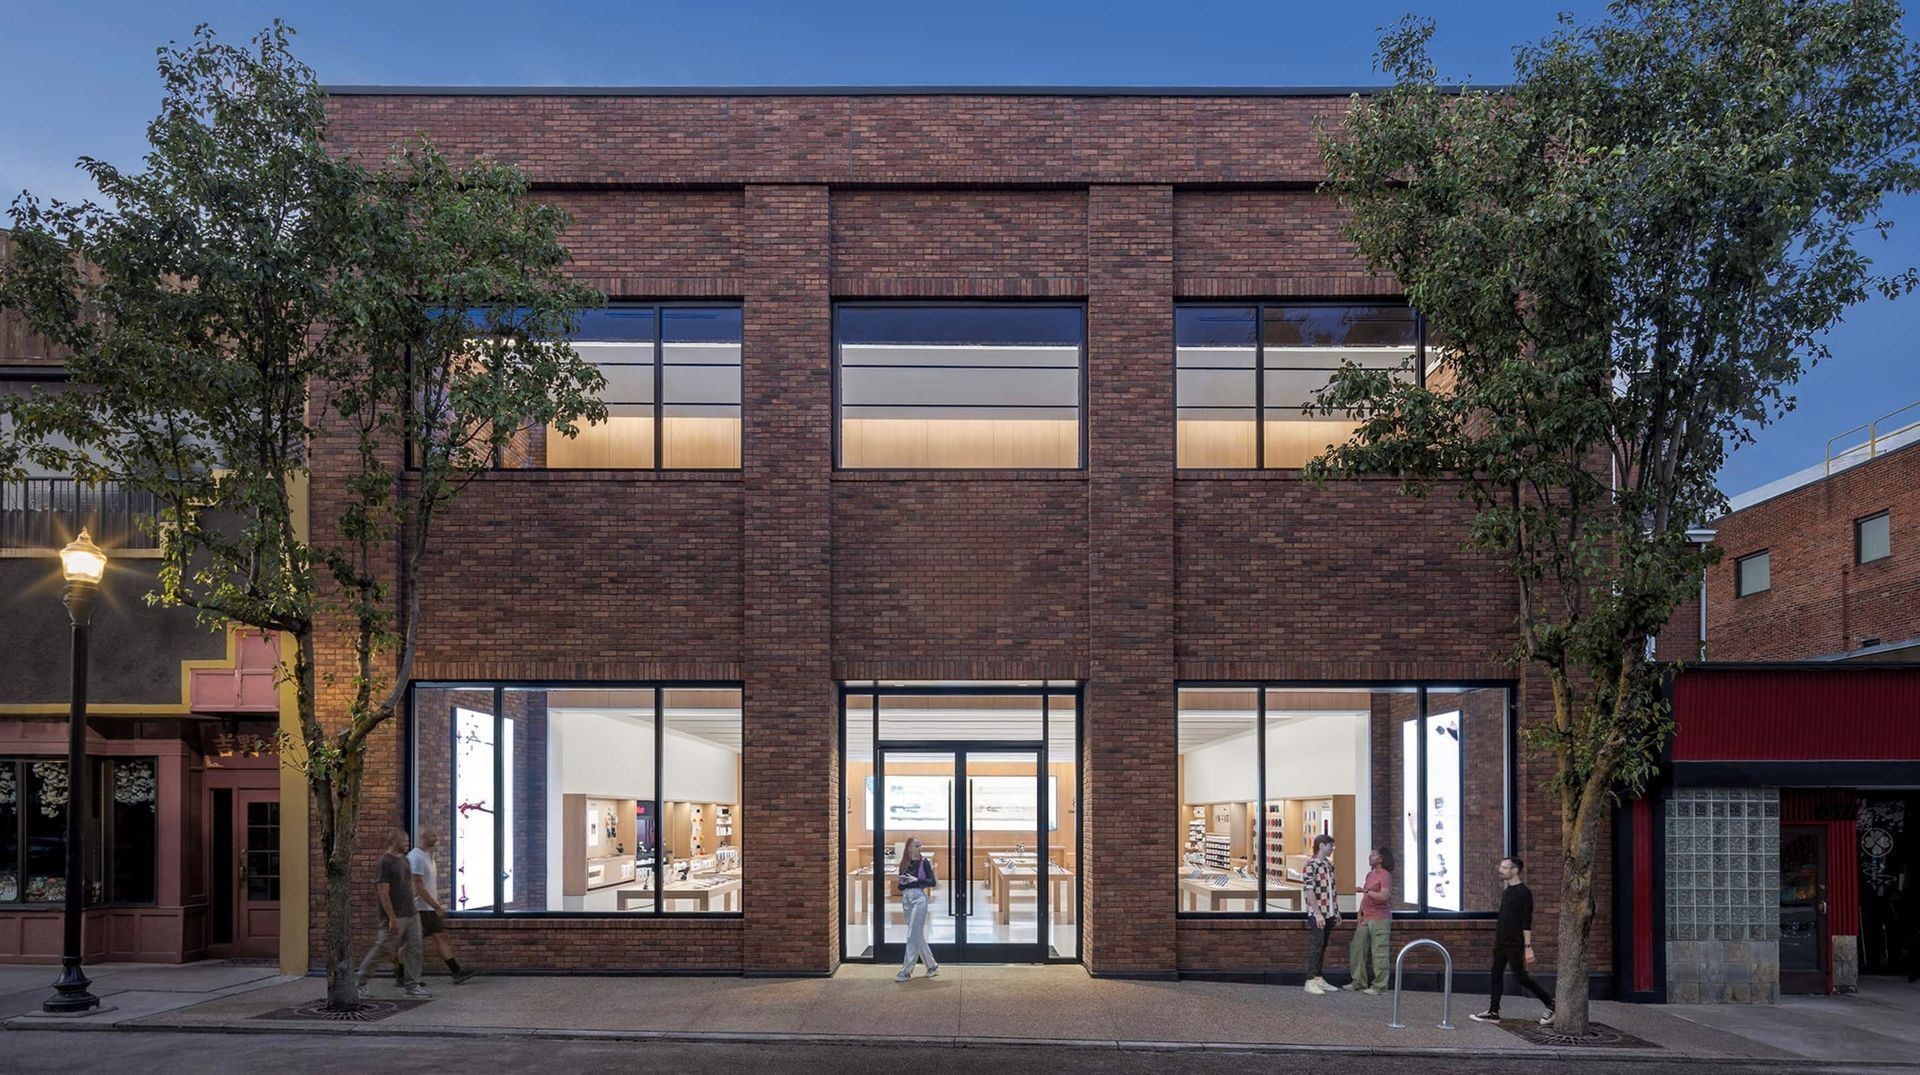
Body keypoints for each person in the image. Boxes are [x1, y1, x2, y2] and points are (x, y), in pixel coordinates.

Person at [1470, 856, 1554, 1025]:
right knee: (1496, 975)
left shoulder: (1524, 892)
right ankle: (1493, 1012)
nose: (1500, 870)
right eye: (1501, 866)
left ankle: (1551, 1004)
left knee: (1520, 977)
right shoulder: (1507, 891)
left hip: (1514, 943)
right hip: (1501, 941)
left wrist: (1528, 947)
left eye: (1505, 867)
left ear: (1515, 870)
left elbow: (1526, 921)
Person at [356, 827, 429, 999]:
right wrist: (391, 918)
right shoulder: (385, 862)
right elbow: (383, 892)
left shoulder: (404, 859)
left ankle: (412, 987)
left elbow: (407, 885)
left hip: (411, 913)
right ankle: (359, 983)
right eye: (404, 841)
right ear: (395, 841)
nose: (407, 844)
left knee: (415, 949)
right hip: (395, 916)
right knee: (382, 948)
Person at [409, 831, 475, 984]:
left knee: (438, 937)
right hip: (420, 908)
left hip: (428, 908)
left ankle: (456, 971)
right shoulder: (416, 857)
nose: (436, 838)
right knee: (411, 943)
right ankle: (402, 975)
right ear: (423, 837)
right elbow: (418, 887)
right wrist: (436, 906)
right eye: (433, 835)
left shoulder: (428, 856)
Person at [1345, 846, 1395, 994]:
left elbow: (1384, 896)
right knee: (1357, 949)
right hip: (1365, 917)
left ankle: (1380, 986)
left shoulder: (1385, 875)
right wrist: (1360, 912)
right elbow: (1366, 896)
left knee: (1379, 952)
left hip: (1380, 918)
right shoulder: (1369, 875)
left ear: (1381, 859)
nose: (1369, 857)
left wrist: (1366, 891)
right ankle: (1358, 982)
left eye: (1373, 855)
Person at [894, 837, 941, 982]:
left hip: (919, 899)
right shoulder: (904, 863)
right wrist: (903, 881)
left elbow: (932, 882)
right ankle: (932, 965)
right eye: (916, 846)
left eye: (920, 845)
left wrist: (916, 881)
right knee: (916, 934)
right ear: (909, 848)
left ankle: (906, 971)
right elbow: (900, 887)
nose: (919, 848)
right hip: (906, 898)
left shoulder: (924, 862)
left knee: (912, 935)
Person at [1302, 833, 1339, 995]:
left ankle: (1318, 977)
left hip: (1329, 912)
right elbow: (1309, 890)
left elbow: (1332, 890)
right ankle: (1310, 980)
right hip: (1318, 913)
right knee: (1317, 945)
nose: (1332, 849)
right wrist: (1317, 913)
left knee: (1322, 945)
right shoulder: (1311, 865)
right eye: (1331, 846)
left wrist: (1336, 912)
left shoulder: (1329, 865)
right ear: (1322, 845)